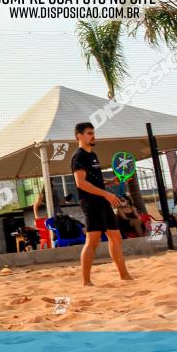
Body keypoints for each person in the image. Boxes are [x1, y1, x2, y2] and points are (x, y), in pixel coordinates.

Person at [71, 122, 133, 286]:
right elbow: (81, 183)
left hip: (102, 200)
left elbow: (94, 181)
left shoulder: (93, 155)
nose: (93, 136)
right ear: (80, 136)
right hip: (91, 203)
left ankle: (124, 275)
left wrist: (109, 182)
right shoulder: (79, 156)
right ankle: (86, 281)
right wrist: (106, 193)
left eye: (93, 133)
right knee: (92, 241)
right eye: (89, 133)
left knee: (116, 237)